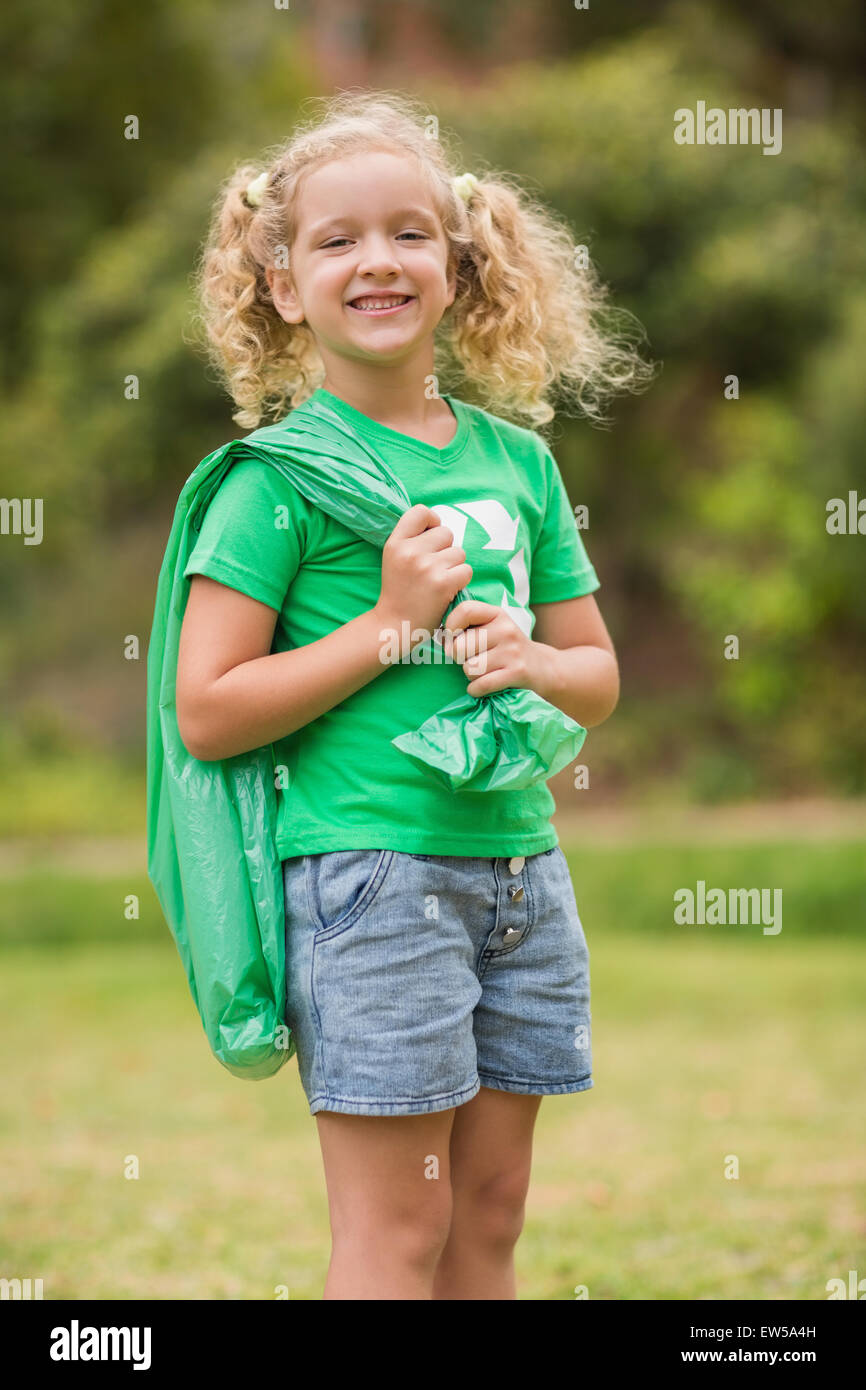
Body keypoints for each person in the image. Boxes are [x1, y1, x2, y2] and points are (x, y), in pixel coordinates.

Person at [175, 90, 651, 1300]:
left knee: (483, 1227)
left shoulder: (519, 462)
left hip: (518, 875)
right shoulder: (273, 484)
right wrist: (389, 630)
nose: (375, 260)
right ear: (282, 285)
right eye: (334, 241)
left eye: (407, 234)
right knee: (395, 1240)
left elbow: (592, 676)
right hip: (368, 879)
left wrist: (527, 660)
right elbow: (208, 706)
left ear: (458, 266)